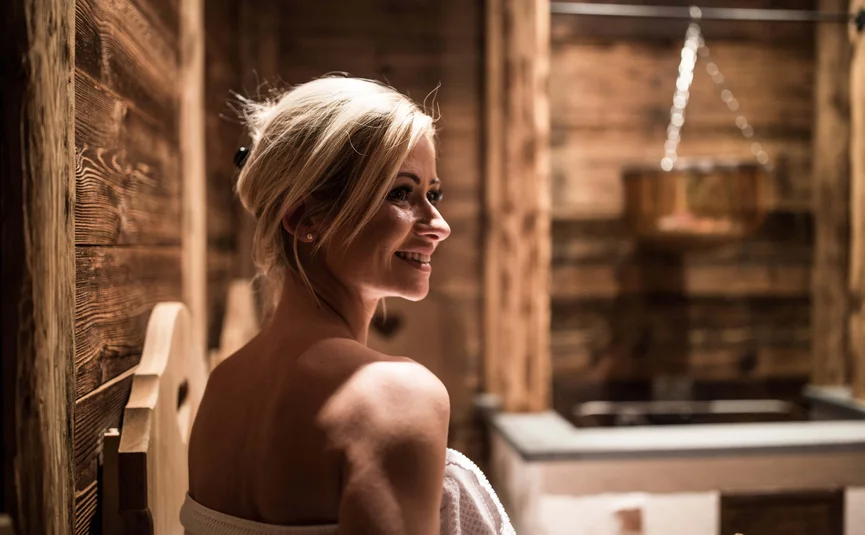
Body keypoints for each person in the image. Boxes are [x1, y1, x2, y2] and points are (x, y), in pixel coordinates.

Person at [181, 76, 515, 535]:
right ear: (306, 220)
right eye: (401, 192)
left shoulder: (222, 386)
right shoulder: (396, 397)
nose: (439, 225)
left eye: (432, 194)